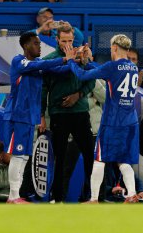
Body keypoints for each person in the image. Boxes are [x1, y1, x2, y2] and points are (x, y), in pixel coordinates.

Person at [68, 34, 140, 203]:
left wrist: (72, 61)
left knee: (100, 158)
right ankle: (131, 194)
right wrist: (89, 61)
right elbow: (105, 71)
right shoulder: (133, 67)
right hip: (130, 121)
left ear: (114, 47)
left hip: (112, 121)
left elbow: (82, 76)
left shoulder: (111, 67)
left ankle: (93, 199)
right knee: (123, 159)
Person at [3, 31, 73, 204]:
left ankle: (15, 195)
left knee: (25, 157)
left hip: (30, 118)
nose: (39, 46)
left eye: (39, 43)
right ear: (26, 45)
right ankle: (13, 196)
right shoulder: (18, 61)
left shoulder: (39, 64)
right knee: (17, 156)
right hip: (17, 116)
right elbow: (38, 66)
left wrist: (74, 60)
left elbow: (58, 70)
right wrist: (64, 59)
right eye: (36, 43)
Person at [41, 25, 95, 202]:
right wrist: (41, 115)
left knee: (89, 154)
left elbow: (91, 82)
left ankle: (89, 196)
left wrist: (77, 95)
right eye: (63, 40)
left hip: (80, 111)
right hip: (59, 113)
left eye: (70, 40)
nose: (67, 44)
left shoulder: (82, 57)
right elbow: (43, 89)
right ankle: (57, 198)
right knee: (60, 157)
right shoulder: (50, 60)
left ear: (74, 39)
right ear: (57, 39)